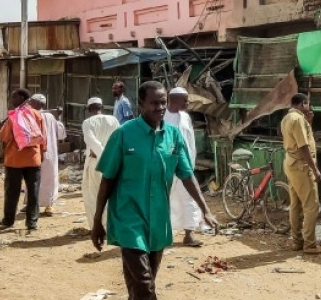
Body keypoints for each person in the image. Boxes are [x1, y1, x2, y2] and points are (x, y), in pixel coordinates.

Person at [91, 81, 218, 300]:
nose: (160, 107)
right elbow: (107, 180)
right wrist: (96, 222)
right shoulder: (124, 134)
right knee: (145, 285)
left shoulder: (173, 136)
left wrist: (205, 209)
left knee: (140, 286)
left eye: (163, 102)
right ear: (141, 104)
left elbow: (186, 175)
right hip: (127, 218)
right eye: (154, 103)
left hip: (158, 219)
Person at [281, 93, 321, 254]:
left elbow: (301, 139)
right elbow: (303, 146)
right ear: (303, 103)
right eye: (308, 104)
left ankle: (297, 241)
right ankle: (310, 244)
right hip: (302, 167)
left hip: (291, 164)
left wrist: (309, 123)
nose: (309, 108)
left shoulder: (287, 118)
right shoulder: (297, 119)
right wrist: (314, 169)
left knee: (295, 205)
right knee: (311, 205)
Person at [0, 89, 45, 231]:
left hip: (14, 160)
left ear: (22, 98)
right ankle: (32, 222)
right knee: (33, 191)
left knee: (12, 192)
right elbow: (43, 138)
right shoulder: (37, 114)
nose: (11, 100)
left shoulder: (14, 116)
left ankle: (8, 220)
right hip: (33, 159)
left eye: (14, 97)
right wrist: (41, 154)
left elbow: (4, 137)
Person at [164, 87, 203, 247]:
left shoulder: (186, 117)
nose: (187, 102)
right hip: (166, 167)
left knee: (189, 198)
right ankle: (163, 234)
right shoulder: (161, 117)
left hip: (185, 166)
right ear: (174, 100)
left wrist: (191, 163)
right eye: (185, 99)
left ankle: (189, 234)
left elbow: (190, 142)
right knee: (163, 199)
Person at [81, 97, 120, 231]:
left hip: (96, 162)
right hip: (113, 161)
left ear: (89, 109)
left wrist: (104, 158)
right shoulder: (113, 120)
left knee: (93, 194)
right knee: (112, 193)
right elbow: (118, 139)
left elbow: (92, 142)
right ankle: (110, 224)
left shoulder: (88, 123)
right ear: (101, 107)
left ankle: (97, 226)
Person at [30, 94, 67, 217]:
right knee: (33, 179)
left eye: (32, 102)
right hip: (35, 152)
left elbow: (60, 134)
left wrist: (58, 117)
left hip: (47, 153)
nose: (30, 103)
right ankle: (32, 204)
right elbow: (62, 134)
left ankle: (49, 206)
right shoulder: (35, 115)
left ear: (38, 104)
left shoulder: (47, 116)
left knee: (48, 179)